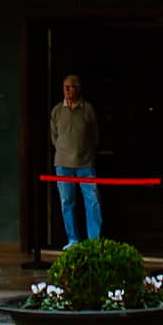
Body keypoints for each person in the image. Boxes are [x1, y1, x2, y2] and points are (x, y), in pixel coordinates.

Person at [49, 73, 101, 243]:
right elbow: (54, 136)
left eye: (72, 87)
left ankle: (93, 240)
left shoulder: (88, 109)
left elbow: (95, 135)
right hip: (63, 163)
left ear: (78, 88)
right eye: (66, 87)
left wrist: (87, 151)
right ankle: (73, 240)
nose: (68, 90)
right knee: (66, 202)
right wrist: (63, 150)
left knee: (92, 201)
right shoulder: (57, 110)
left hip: (85, 162)